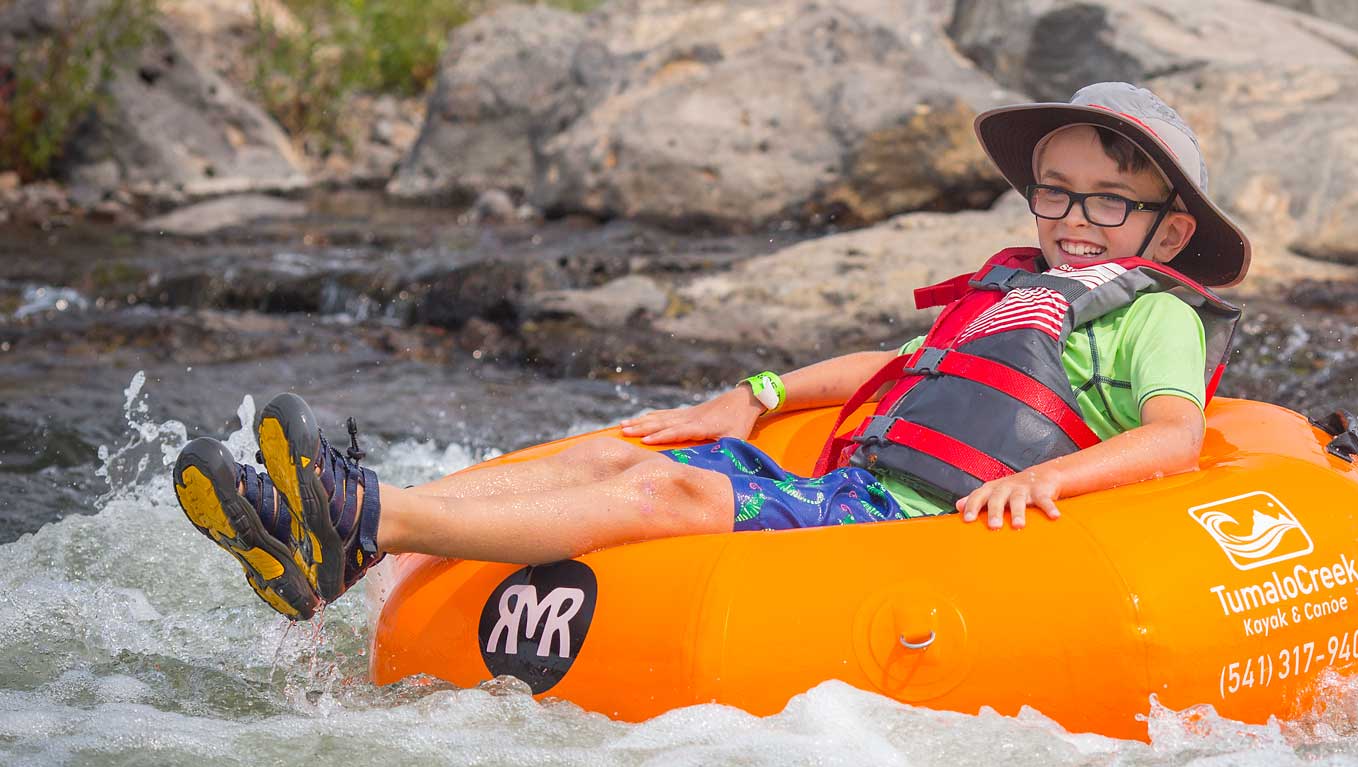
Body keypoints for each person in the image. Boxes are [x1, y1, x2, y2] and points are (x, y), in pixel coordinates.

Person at [171, 82, 1253, 620]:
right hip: (860, 494)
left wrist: (1058, 476)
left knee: (667, 500)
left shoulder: (1151, 313)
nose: (1074, 217)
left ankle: (361, 513)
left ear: (1166, 231)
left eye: (1110, 202)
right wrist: (756, 390)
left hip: (928, 538)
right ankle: (349, 544)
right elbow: (896, 368)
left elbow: (1174, 437)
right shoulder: (1018, 290)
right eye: (1055, 190)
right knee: (619, 452)